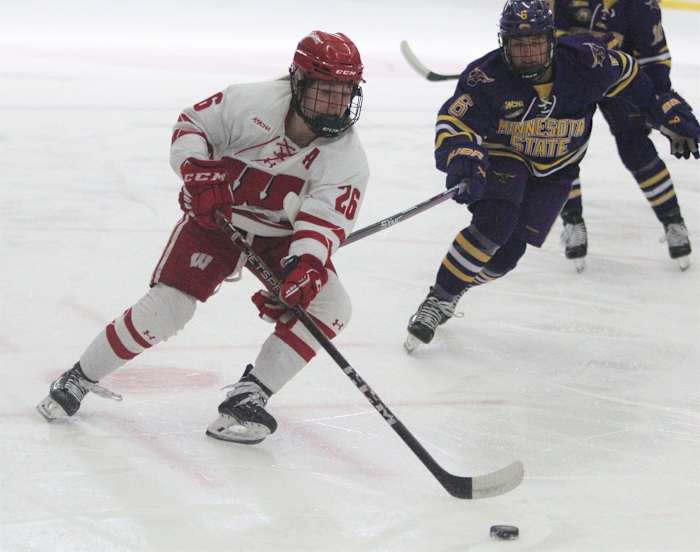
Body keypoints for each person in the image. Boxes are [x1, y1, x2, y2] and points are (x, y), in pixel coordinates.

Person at [37, 31, 369, 445]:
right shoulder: (252, 103)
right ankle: (79, 378)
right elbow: (192, 124)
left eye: (345, 93)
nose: (336, 106)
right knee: (168, 309)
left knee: (331, 303)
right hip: (218, 217)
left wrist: (303, 267)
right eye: (325, 92)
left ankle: (251, 395)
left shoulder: (347, 160)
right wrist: (196, 171)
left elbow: (323, 222)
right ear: (298, 82)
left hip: (279, 234)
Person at [404, 0, 699, 352]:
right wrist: (463, 155)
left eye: (535, 44)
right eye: (518, 45)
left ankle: (457, 286)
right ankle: (439, 299)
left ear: (552, 41)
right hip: (507, 156)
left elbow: (634, 78)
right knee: (495, 222)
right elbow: (454, 121)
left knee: (506, 256)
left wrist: (668, 114)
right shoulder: (486, 76)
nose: (528, 54)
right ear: (504, 43)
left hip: (557, 169)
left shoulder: (589, 63)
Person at [552, 0, 695, 271]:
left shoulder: (640, 5)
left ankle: (673, 222)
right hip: (572, 76)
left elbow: (654, 55)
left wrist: (661, 99)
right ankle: (573, 221)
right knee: (560, 143)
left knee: (635, 147)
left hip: (622, 77)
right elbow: (540, 34)